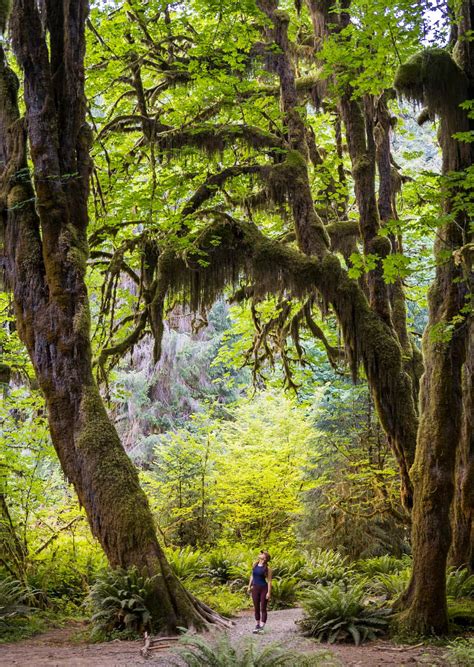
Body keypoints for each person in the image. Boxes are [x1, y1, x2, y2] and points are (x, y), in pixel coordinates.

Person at [247, 549, 272, 633]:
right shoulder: (255, 564)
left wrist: (269, 592)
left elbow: (269, 581)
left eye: (262, 553)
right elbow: (252, 576)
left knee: (263, 608)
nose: (260, 554)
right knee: (256, 608)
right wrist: (249, 586)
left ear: (265, 558)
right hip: (255, 588)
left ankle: (262, 627)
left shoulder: (268, 568)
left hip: (263, 589)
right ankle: (257, 625)